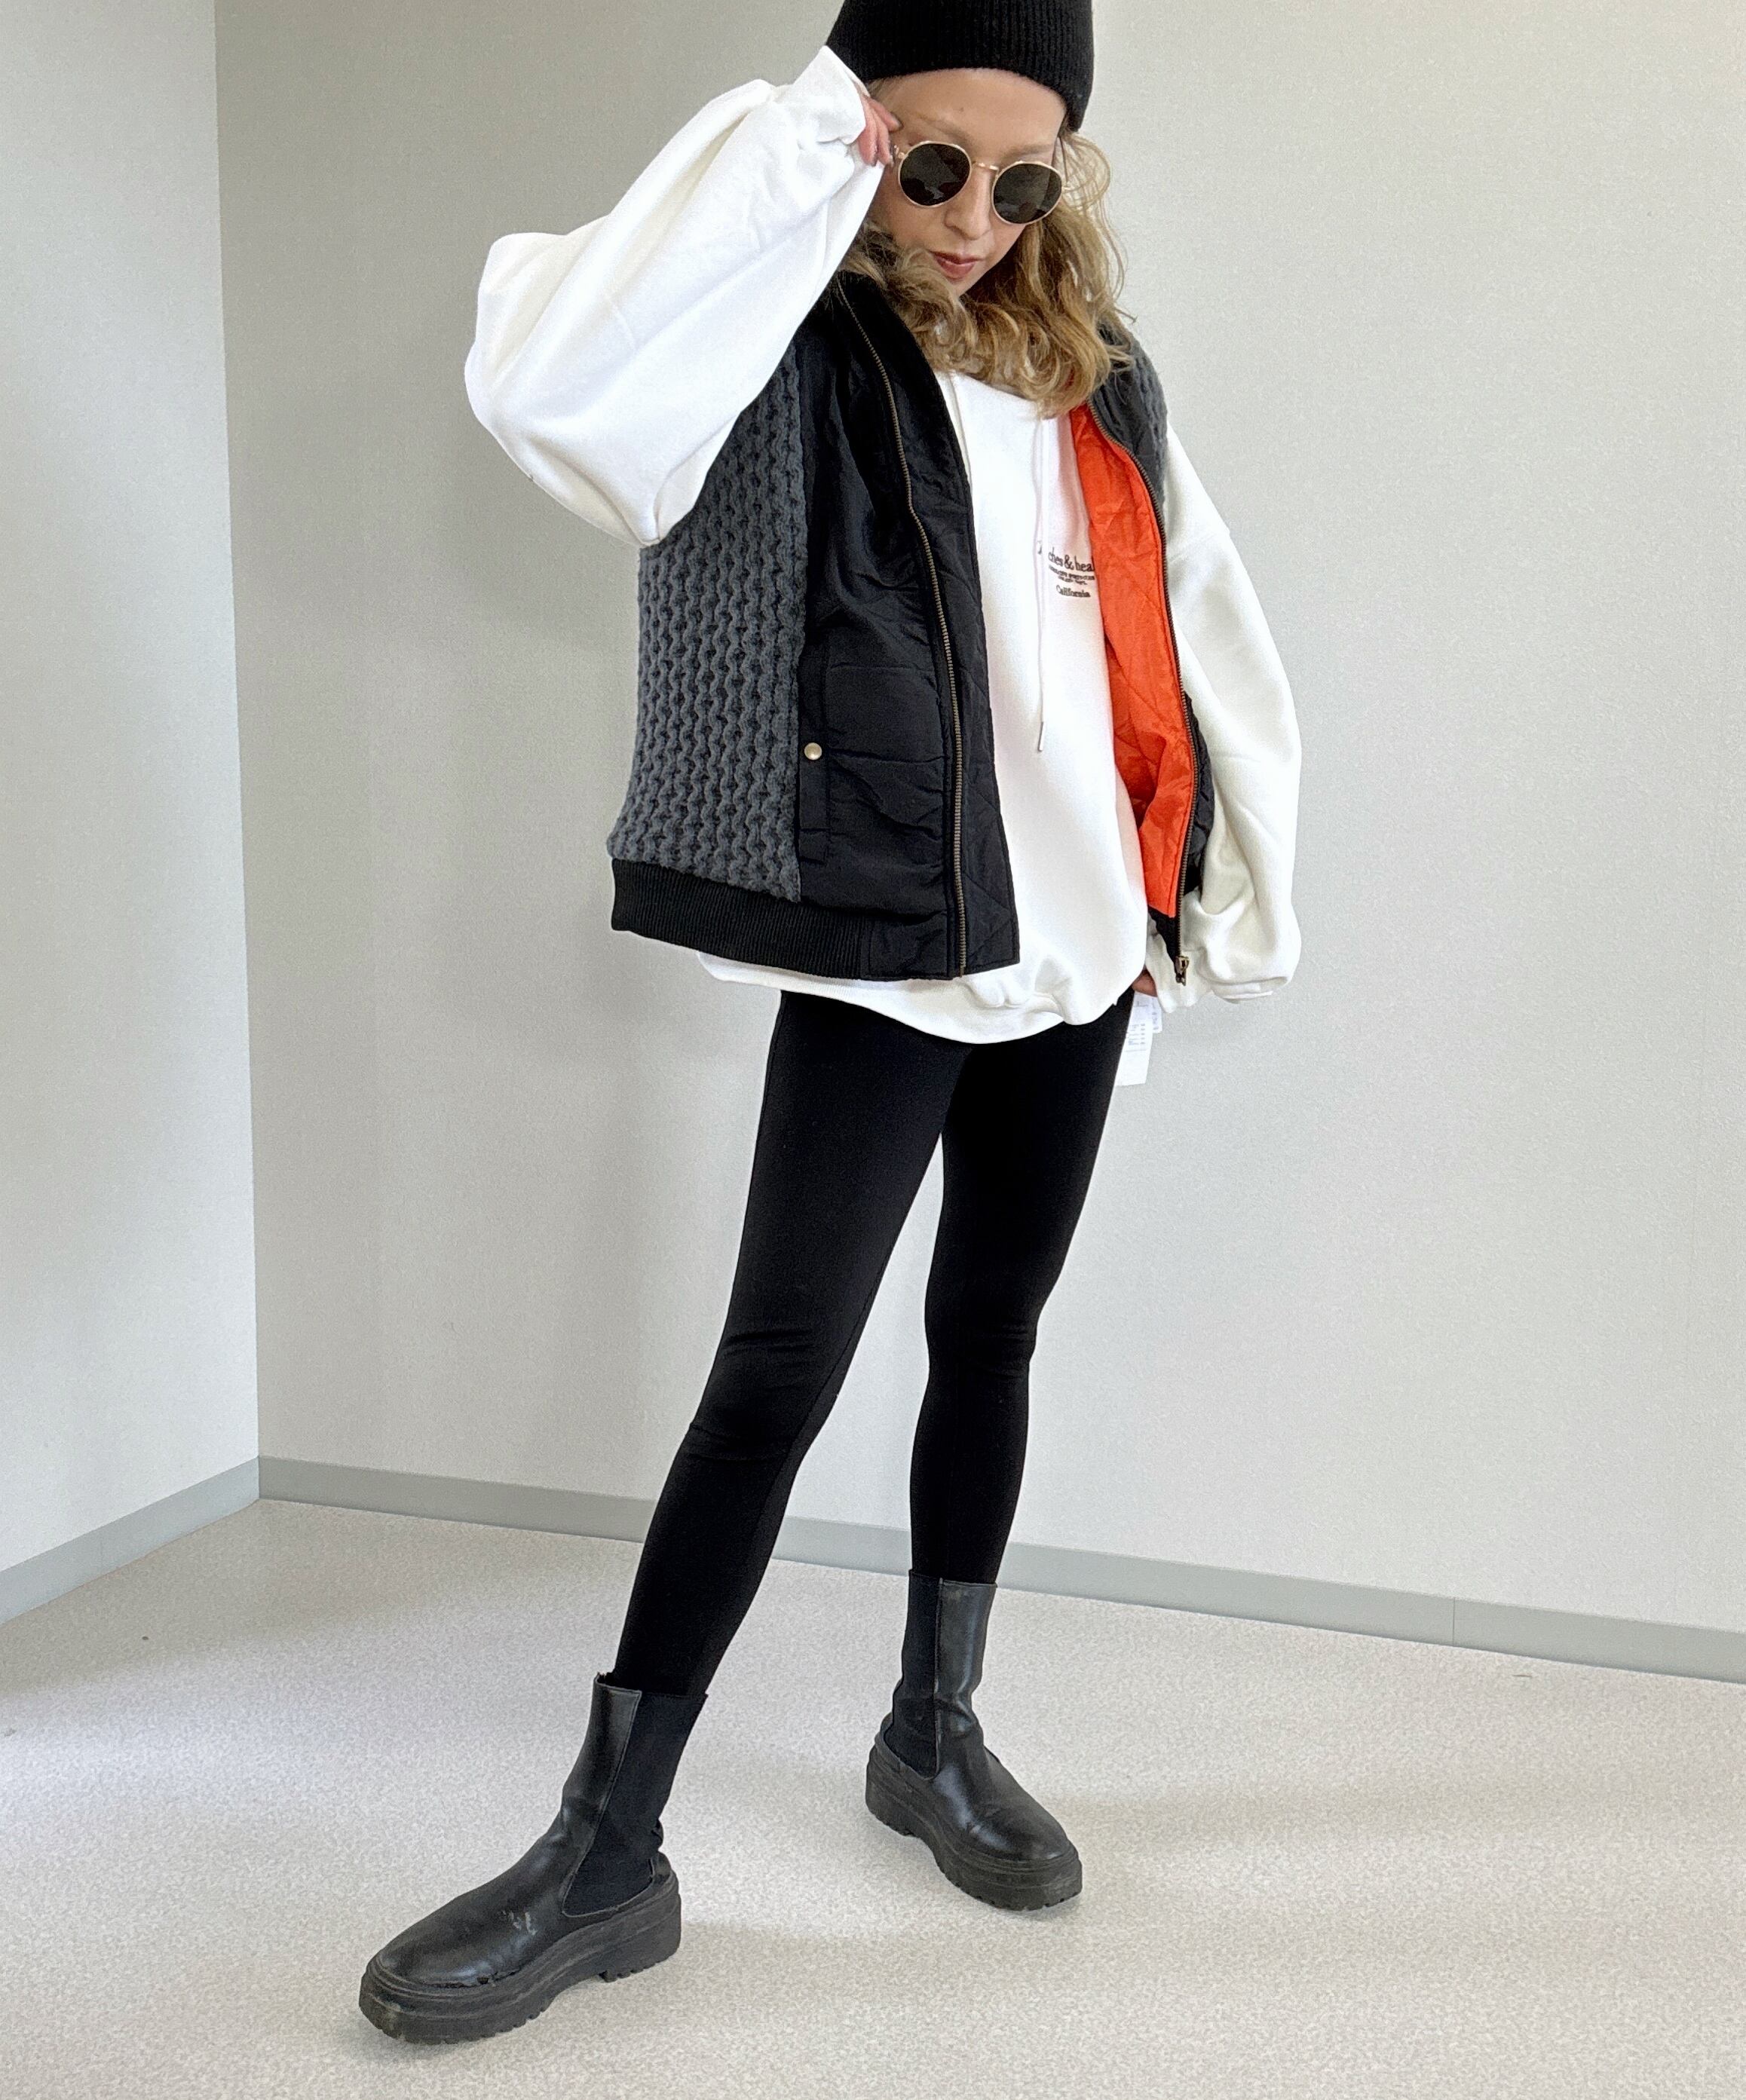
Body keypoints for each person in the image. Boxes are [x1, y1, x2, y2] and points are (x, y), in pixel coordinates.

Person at [359, 0, 1301, 2044]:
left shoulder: (1097, 371)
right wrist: (801, 146)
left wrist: (1219, 884)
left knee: (993, 1333)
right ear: (859, 137)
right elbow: (554, 384)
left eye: (1017, 178)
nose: (968, 215)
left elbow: (1198, 616)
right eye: (926, 162)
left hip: (1079, 943)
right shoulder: (766, 342)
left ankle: (930, 1731)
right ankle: (609, 1845)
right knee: (774, 1375)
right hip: (892, 937)